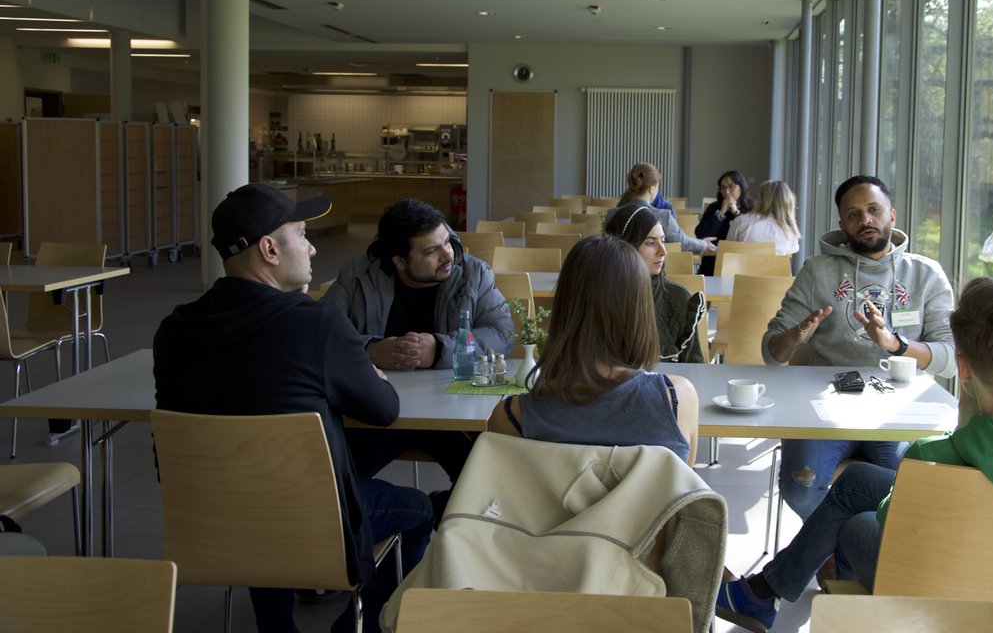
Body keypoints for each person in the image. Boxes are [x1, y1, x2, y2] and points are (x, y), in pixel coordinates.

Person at [717, 277, 993, 629]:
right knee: (859, 480)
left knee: (855, 525)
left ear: (963, 369)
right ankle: (765, 591)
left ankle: (821, 606)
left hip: (950, 589)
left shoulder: (936, 458)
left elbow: (890, 523)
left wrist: (970, 414)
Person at [153, 183, 433, 633]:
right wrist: (369, 370)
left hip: (211, 524)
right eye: (302, 234)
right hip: (314, 524)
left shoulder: (173, 330)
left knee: (261, 499)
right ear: (269, 249)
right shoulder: (314, 322)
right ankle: (352, 627)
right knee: (419, 511)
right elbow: (384, 410)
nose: (311, 249)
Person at [763, 175, 956, 520]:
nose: (865, 220)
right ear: (842, 225)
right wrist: (795, 336)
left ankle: (844, 548)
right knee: (800, 486)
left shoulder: (926, 274)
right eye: (853, 214)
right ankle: (839, 553)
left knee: (910, 490)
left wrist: (896, 345)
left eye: (873, 210)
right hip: (824, 407)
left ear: (892, 215)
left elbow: (949, 359)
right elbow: (771, 352)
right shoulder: (817, 271)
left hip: (899, 411)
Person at [323, 199, 514, 484]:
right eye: (431, 251)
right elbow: (323, 336)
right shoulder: (357, 275)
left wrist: (440, 349)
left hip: (452, 413)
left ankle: (441, 514)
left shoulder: (474, 273)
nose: (448, 255)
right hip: (376, 412)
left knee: (486, 480)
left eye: (447, 242)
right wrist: (371, 350)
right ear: (399, 260)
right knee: (335, 481)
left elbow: (502, 335)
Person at [487, 234, 700, 467]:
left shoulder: (509, 418)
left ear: (563, 308)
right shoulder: (677, 399)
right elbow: (682, 494)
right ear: (640, 313)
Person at [605, 202, 706, 363]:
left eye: (663, 241)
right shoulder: (600, 297)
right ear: (625, 246)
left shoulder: (679, 298)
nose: (663, 251)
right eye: (651, 242)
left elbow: (695, 368)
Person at [606, 162, 715, 255]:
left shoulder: (611, 214)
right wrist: (703, 244)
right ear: (651, 189)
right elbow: (683, 242)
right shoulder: (663, 216)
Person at [695, 170, 754, 276]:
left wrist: (736, 213)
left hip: (743, 262)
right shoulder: (714, 207)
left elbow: (751, 237)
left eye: (731, 186)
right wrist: (721, 213)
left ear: (741, 187)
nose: (727, 192)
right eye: (723, 188)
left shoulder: (751, 208)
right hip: (713, 261)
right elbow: (701, 234)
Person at [727, 179, 801, 257]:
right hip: (774, 269)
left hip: (740, 268)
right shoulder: (790, 233)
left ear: (761, 199)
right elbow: (793, 249)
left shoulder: (741, 221)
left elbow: (726, 250)